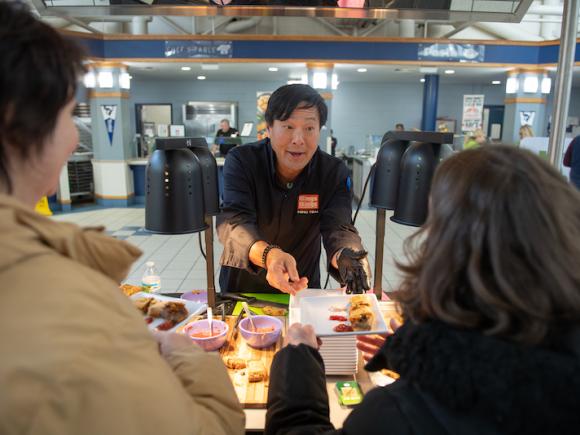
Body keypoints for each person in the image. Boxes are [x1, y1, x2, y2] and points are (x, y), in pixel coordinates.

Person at [0, 3, 244, 434]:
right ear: (19, 123)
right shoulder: (70, 305)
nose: (76, 135)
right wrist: (181, 350)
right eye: (67, 113)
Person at [266, 145, 580, 434]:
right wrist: (415, 352)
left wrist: (298, 358)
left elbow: (298, 427)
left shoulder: (397, 415)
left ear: (451, 251)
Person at [217, 84, 371, 295]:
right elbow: (234, 223)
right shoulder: (242, 161)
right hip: (244, 290)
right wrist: (270, 256)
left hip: (301, 288)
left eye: (309, 128)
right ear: (269, 129)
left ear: (319, 130)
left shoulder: (332, 172)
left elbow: (339, 227)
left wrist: (347, 255)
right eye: (288, 127)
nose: (298, 140)